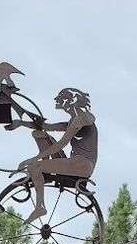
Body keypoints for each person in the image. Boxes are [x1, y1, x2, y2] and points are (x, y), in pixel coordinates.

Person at [11, 88, 98, 224]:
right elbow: (46, 126)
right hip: (73, 161)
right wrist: (20, 123)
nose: (59, 102)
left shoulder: (83, 118)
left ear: (72, 100)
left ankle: (40, 206)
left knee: (35, 166)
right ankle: (42, 170)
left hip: (82, 164)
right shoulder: (72, 121)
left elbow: (62, 143)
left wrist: (32, 160)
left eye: (62, 99)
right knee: (39, 134)